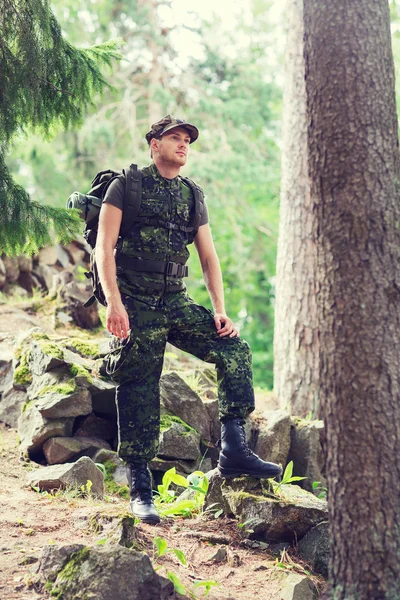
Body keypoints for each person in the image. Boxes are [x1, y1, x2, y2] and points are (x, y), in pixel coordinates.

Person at [96, 115, 282, 524]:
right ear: (154, 144)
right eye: (174, 138)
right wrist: (114, 303)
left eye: (187, 140)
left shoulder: (192, 195)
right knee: (141, 382)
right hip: (136, 302)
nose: (183, 145)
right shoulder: (126, 186)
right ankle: (141, 489)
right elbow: (104, 249)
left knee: (233, 349)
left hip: (175, 301)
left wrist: (219, 309)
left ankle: (234, 450)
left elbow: (208, 257)